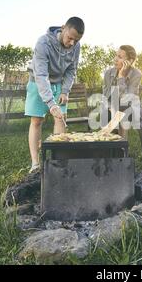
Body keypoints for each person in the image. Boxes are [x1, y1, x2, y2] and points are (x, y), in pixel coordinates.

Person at [25, 17, 85, 173]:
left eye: (76, 40)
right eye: (69, 38)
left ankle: (58, 161)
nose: (71, 43)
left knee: (60, 118)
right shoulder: (43, 43)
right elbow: (41, 75)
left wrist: (65, 91)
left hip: (58, 83)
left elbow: (72, 70)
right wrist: (51, 104)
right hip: (38, 82)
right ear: (63, 28)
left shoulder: (76, 46)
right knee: (37, 121)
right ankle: (35, 164)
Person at [102, 45, 142, 138]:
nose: (115, 59)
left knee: (122, 115)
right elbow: (105, 95)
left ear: (130, 61)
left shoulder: (136, 74)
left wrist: (121, 77)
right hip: (112, 106)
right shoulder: (108, 73)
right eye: (116, 55)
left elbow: (127, 100)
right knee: (110, 112)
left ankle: (121, 148)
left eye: (119, 57)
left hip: (130, 107)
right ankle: (112, 145)